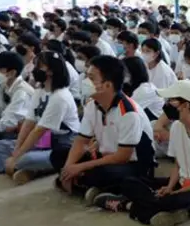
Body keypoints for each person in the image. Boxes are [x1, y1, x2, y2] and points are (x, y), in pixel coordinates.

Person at [94, 80, 190, 226]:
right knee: (129, 182)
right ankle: (155, 209)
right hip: (182, 181)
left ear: (186, 105)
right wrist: (169, 187)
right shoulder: (177, 126)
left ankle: (129, 205)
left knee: (168, 200)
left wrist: (176, 192)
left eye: (172, 101)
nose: (167, 104)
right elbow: (178, 163)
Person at [51, 55, 156, 204]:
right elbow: (81, 141)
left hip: (133, 164)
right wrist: (68, 169)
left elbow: (122, 157)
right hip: (105, 157)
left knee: (102, 173)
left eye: (91, 78)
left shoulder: (128, 112)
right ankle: (86, 186)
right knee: (58, 154)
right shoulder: (92, 106)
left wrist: (80, 166)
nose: (85, 82)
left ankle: (89, 185)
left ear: (107, 85)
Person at [0, 51, 80, 184]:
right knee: (0, 146)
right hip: (45, 141)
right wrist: (16, 150)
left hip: (63, 144)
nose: (34, 70)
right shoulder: (40, 91)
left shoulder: (60, 97)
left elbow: (39, 130)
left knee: (27, 159)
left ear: (50, 71)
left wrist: (16, 157)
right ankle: (24, 169)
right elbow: (29, 122)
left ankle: (34, 169)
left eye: (38, 66)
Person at [122, 56, 164, 121]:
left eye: (125, 72)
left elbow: (126, 109)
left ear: (133, 72)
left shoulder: (144, 90)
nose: (122, 74)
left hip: (155, 120)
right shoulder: (131, 85)